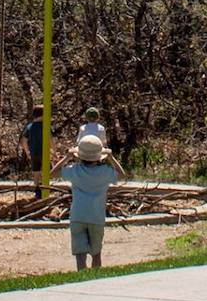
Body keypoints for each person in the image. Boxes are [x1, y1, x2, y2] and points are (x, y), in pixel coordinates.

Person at [57, 136, 126, 271]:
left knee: (80, 255)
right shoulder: (105, 172)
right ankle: (95, 279)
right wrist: (111, 158)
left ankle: (81, 278)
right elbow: (122, 175)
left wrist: (66, 158)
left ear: (79, 155)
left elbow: (53, 173)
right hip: (96, 217)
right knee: (96, 253)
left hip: (78, 216)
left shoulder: (74, 170)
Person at [18, 109, 46, 175]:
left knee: (36, 170)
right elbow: (51, 139)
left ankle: (36, 184)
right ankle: (45, 183)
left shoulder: (29, 126)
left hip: (33, 153)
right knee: (47, 170)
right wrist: (54, 151)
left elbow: (24, 140)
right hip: (44, 153)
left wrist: (27, 152)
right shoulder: (45, 126)